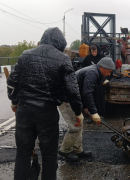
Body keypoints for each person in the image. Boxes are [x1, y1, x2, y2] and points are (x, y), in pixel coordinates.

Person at [7, 27, 83, 180]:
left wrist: (14, 100)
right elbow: (72, 90)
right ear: (60, 43)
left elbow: (12, 82)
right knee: (49, 157)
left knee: (22, 154)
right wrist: (77, 111)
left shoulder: (25, 55)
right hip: (46, 113)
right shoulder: (63, 59)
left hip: (24, 111)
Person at [76, 57, 115, 123]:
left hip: (74, 97)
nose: (109, 74)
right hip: (68, 98)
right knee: (75, 127)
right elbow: (87, 93)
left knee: (78, 125)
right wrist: (94, 112)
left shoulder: (97, 71)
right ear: (103, 68)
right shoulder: (92, 73)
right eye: (109, 71)